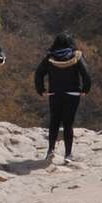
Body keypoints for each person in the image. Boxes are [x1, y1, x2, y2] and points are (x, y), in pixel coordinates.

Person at [34, 32, 93, 165]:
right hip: (72, 94)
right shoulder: (77, 56)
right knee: (68, 124)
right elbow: (86, 74)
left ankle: (50, 151)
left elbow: (39, 74)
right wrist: (85, 89)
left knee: (54, 121)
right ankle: (68, 154)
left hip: (55, 93)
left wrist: (41, 90)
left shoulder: (50, 57)